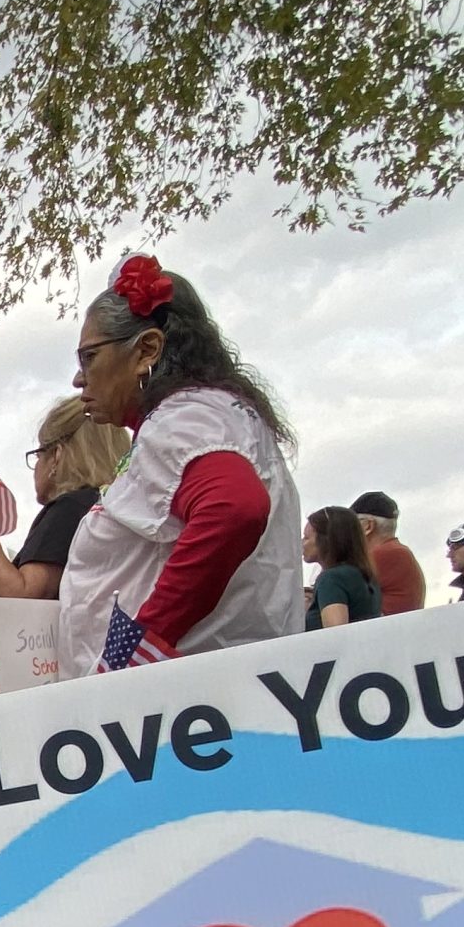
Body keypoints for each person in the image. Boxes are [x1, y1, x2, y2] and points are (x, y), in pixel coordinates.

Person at [56, 254, 302, 676]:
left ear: (146, 350)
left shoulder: (182, 420)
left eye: (89, 358)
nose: (79, 379)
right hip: (201, 693)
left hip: (182, 701)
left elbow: (234, 509)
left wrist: (135, 650)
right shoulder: (214, 416)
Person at [0, 395, 132, 598]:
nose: (36, 464)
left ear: (57, 455)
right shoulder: (121, 505)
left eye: (39, 453)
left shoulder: (71, 508)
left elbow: (19, 597)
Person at [302, 506, 382, 629]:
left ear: (326, 540)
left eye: (307, 538)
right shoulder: (365, 577)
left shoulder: (331, 579)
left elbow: (336, 633)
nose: (302, 543)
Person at [351, 492, 427, 613]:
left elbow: (337, 589)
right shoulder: (397, 552)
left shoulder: (385, 554)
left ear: (368, 526)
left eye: (351, 524)